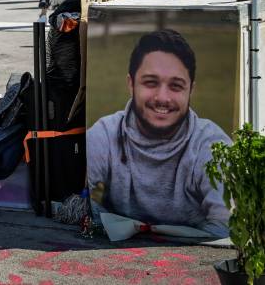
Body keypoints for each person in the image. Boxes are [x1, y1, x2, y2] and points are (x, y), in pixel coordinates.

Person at [87, 29, 232, 237]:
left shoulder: (211, 145)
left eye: (176, 86)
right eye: (151, 83)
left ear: (191, 90)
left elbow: (226, 227)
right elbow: (76, 200)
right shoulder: (106, 133)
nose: (162, 97)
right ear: (131, 84)